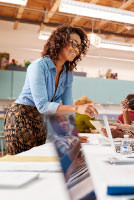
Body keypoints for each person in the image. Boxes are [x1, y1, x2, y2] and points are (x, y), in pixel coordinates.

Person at [3, 25, 98, 155]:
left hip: (41, 120)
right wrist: (77, 108)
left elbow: (68, 106)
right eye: (74, 43)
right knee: (23, 163)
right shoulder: (38, 66)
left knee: (37, 162)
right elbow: (42, 105)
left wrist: (74, 135)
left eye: (79, 46)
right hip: (21, 117)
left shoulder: (67, 74)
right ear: (60, 41)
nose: (76, 49)